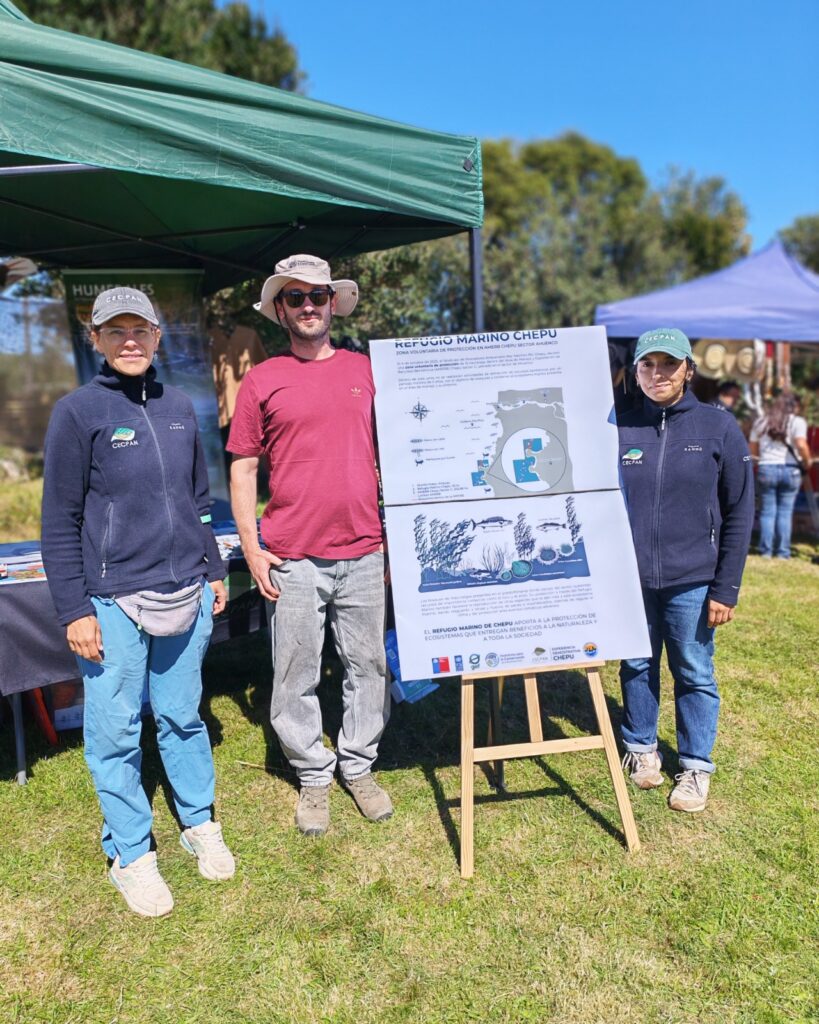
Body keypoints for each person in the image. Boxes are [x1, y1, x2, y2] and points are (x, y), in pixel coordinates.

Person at [41, 287, 235, 918]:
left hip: (187, 591)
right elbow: (59, 520)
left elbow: (197, 498)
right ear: (94, 339)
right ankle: (130, 854)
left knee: (183, 715)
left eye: (140, 330)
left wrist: (211, 568)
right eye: (114, 330)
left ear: (158, 337)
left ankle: (198, 821)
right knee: (116, 733)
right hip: (115, 602)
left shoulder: (179, 407)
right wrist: (74, 609)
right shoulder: (77, 412)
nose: (129, 341)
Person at [227, 254, 391, 837]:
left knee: (368, 666)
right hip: (292, 554)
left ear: (332, 303)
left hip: (365, 549)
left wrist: (396, 540)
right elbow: (243, 468)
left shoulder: (367, 370)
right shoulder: (262, 379)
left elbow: (396, 457)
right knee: (293, 672)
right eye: (295, 298)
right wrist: (251, 546)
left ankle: (360, 764)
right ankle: (314, 775)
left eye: (317, 296)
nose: (308, 307)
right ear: (280, 310)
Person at [616, 328, 754, 812]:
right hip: (630, 579)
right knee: (636, 663)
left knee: (693, 670)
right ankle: (641, 749)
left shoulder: (718, 428)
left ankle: (695, 765)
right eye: (647, 364)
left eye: (668, 364)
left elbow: (739, 510)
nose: (658, 373)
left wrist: (726, 588)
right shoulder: (620, 425)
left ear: (688, 371)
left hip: (693, 579)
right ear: (635, 372)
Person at [749, 392, 812, 559]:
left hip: (766, 468)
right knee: (785, 511)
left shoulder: (761, 421)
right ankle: (783, 552)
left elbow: (753, 449)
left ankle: (766, 552)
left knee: (767, 512)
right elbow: (801, 444)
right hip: (790, 469)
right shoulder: (797, 422)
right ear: (794, 407)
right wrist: (807, 461)